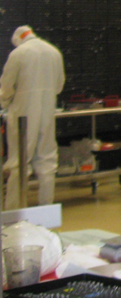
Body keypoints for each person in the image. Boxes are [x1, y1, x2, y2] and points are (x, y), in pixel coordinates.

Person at [1, 26, 65, 209]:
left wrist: (6, 102)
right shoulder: (54, 52)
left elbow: (6, 87)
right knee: (47, 158)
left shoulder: (18, 54)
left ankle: (14, 210)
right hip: (47, 111)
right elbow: (59, 86)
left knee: (19, 161)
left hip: (22, 114)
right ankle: (46, 208)